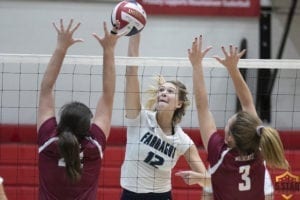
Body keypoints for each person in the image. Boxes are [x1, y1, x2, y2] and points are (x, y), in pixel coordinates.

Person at [176, 36, 289, 200]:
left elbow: (202, 107)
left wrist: (196, 66)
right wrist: (233, 69)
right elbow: (247, 103)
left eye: (228, 123)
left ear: (229, 138)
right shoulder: (258, 149)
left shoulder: (220, 154)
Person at [37, 19, 121, 199]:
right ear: (87, 128)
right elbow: (108, 96)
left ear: (61, 123)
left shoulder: (48, 141)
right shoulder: (95, 145)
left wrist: (61, 47)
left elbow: (46, 90)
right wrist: (109, 50)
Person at [120, 33, 210, 200]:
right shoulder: (139, 118)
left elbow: (208, 182)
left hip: (162, 196)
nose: (163, 93)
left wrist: (199, 178)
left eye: (170, 91)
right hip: (131, 194)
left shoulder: (182, 140)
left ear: (179, 103)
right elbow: (131, 71)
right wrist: (135, 33)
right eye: (161, 90)